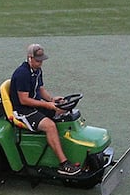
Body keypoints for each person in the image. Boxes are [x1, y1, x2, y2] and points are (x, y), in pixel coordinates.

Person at [11, 43, 81, 176]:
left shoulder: (37, 70)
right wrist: (46, 105)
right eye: (38, 61)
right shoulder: (22, 74)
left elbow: (40, 89)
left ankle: (63, 143)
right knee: (50, 126)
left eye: (41, 60)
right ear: (29, 58)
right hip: (23, 111)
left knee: (62, 109)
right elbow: (23, 100)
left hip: (34, 106)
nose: (40, 63)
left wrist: (52, 100)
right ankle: (63, 164)